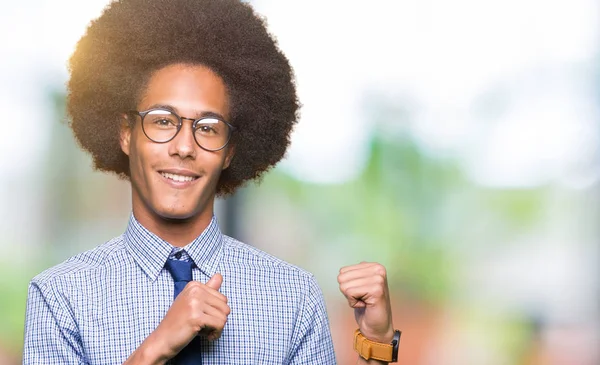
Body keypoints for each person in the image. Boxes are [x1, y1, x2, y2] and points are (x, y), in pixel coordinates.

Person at [22, 0, 398, 364]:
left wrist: (377, 345)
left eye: (207, 128)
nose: (185, 147)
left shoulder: (293, 296)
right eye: (163, 121)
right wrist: (156, 348)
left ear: (230, 151)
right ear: (125, 134)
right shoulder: (60, 296)